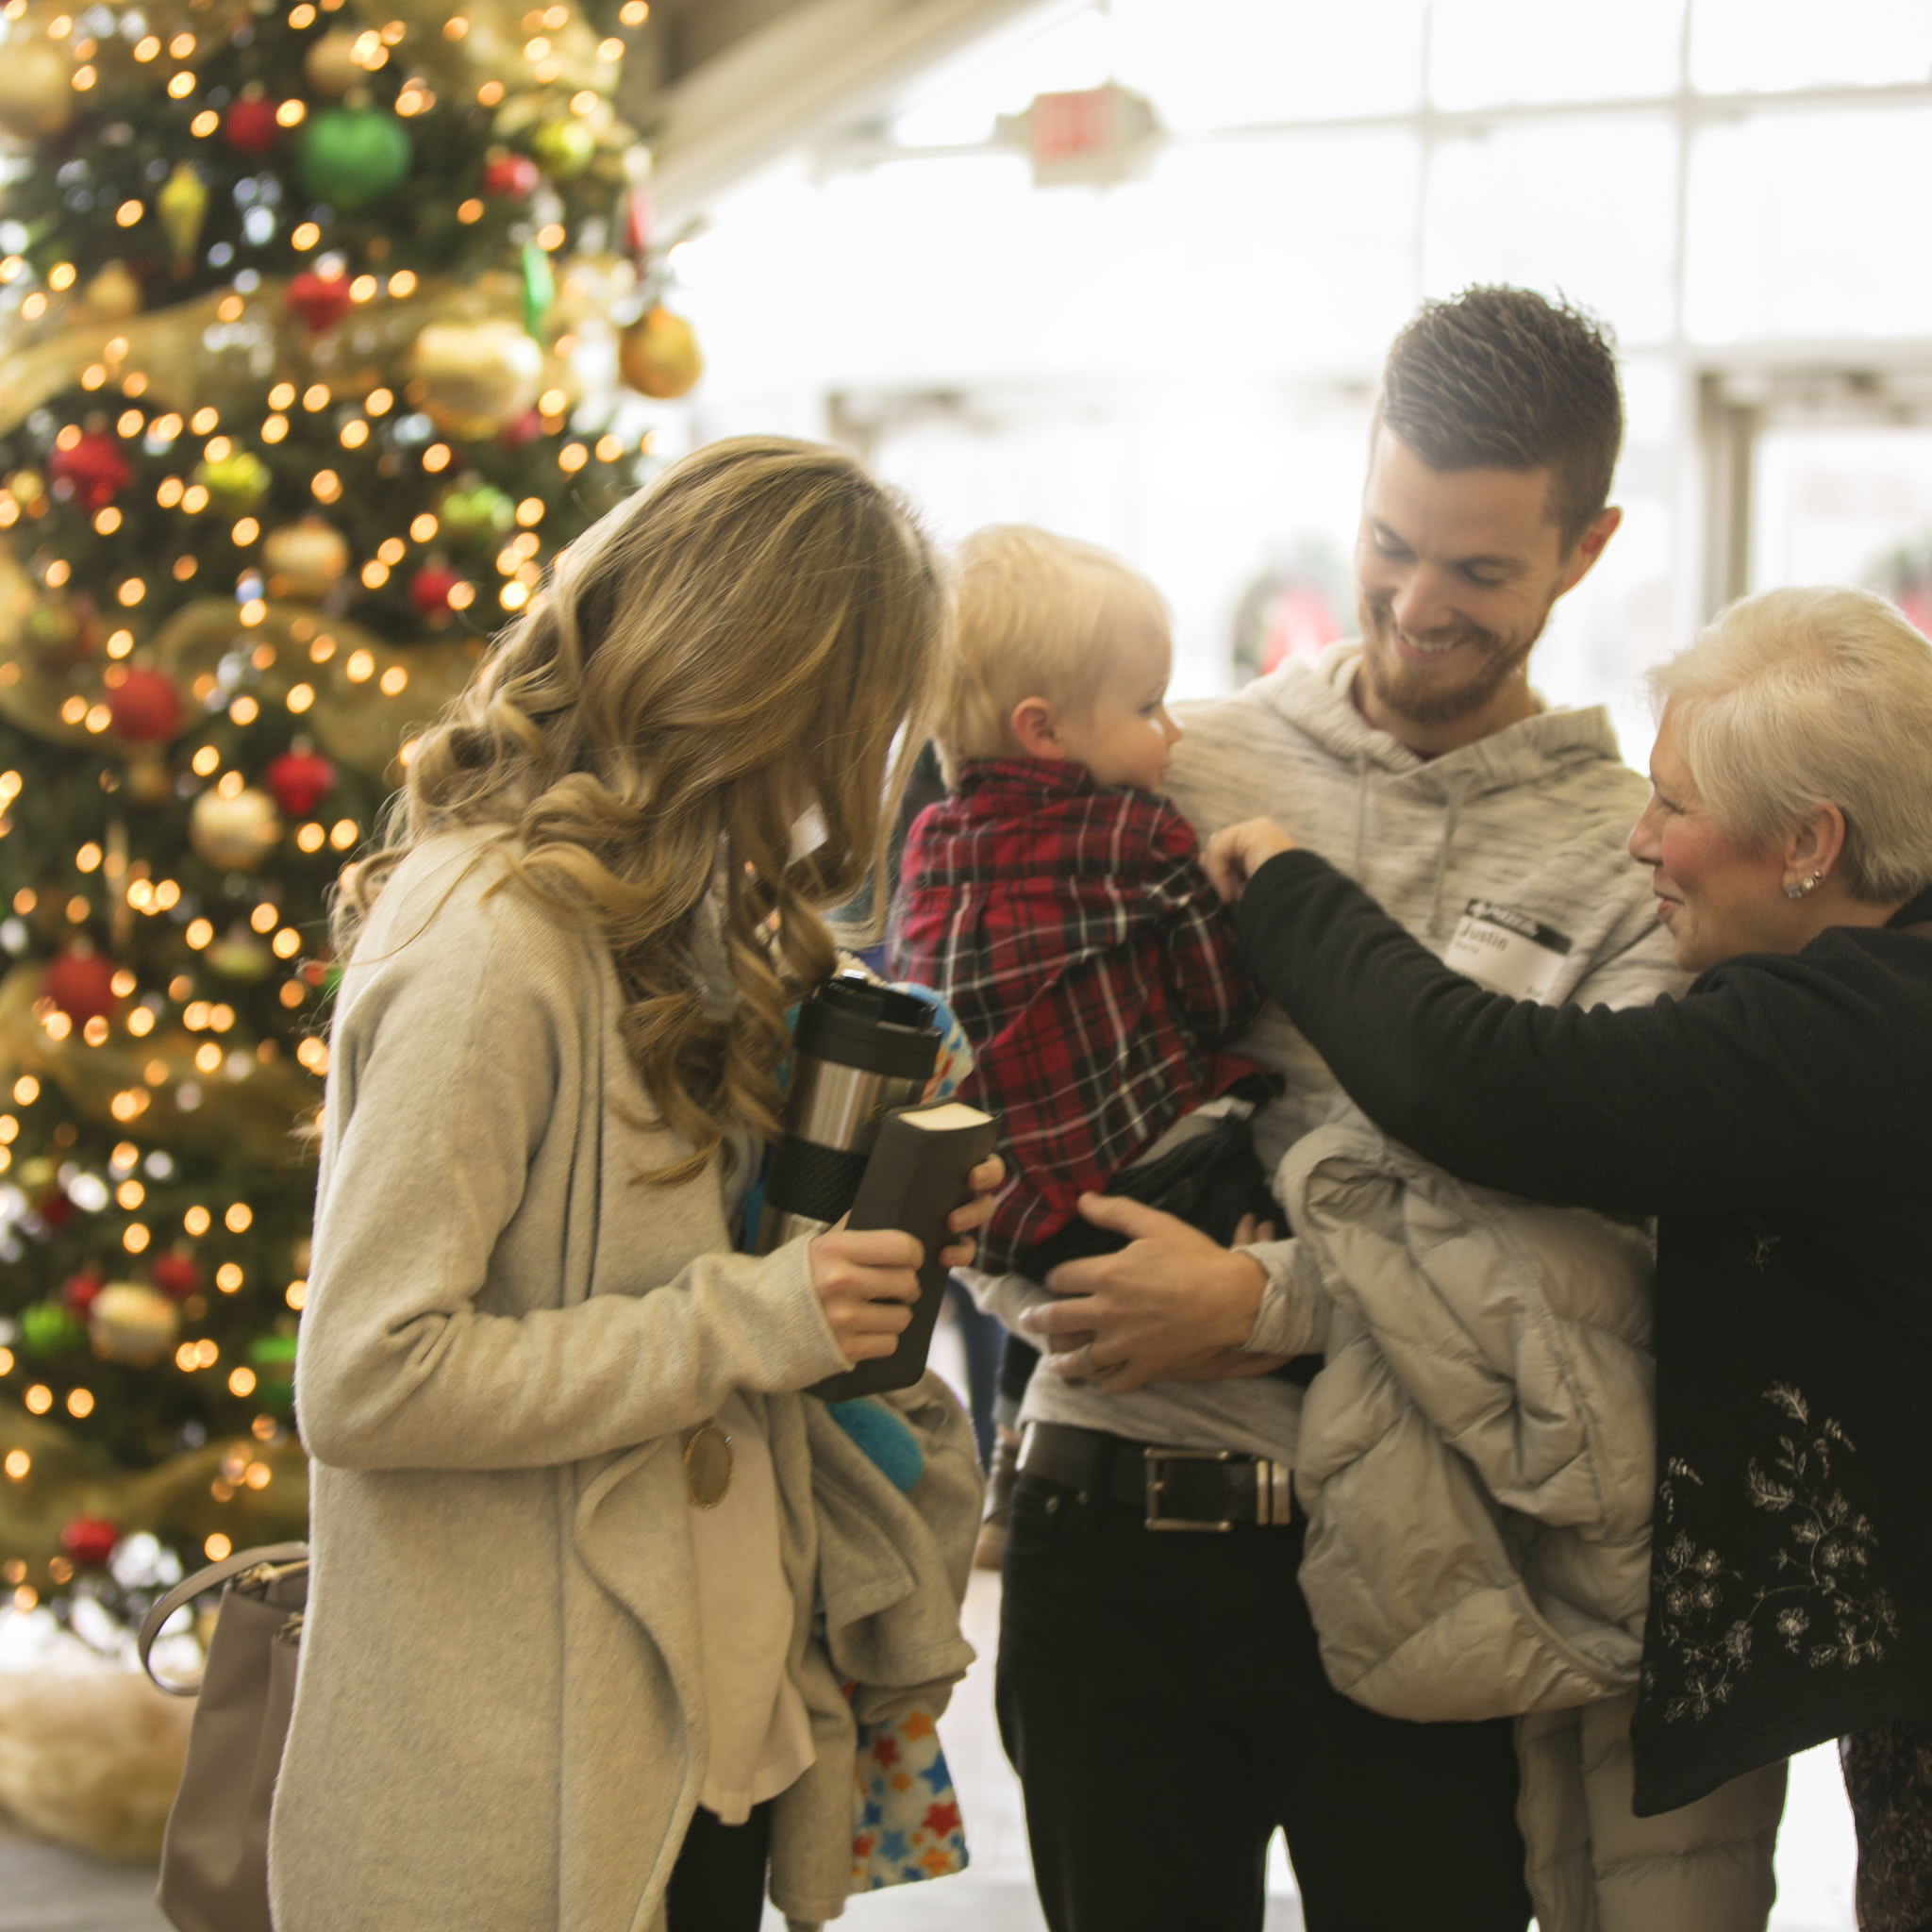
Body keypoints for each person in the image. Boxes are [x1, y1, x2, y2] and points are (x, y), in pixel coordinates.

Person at [973, 287, 1763, 1932]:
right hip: (1103, 1544)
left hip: (1429, 1581)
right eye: (1387, 541)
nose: (1413, 603)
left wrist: (1265, 1303)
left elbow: (1593, 1273)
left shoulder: (1627, 857)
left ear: (1586, 543)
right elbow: (988, 1072)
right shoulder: (1177, 761)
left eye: (1477, 569)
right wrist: (1055, 1272)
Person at [269, 438, 1004, 1932]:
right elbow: (366, 1376)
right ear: (766, 692)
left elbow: (683, 1289)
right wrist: (758, 1314)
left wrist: (865, 1232)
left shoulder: (685, 927)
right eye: (860, 719)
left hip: (688, 1755)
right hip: (509, 1813)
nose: (864, 772)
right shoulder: (492, 946)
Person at [1207, 585, 1932, 1932]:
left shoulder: (1864, 1029)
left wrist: (1286, 883)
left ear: (1811, 844)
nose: (1639, 839)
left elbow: (1482, 1082)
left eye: (1674, 804)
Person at [891, 525, 1271, 1558]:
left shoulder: (926, 845)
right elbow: (1219, 1000)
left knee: (1061, 1284)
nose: (1173, 734)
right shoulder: (1140, 837)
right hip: (1143, 1178)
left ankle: (1013, 1443)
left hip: (999, 1207)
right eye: (1149, 706)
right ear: (1043, 728)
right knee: (1260, 1132)